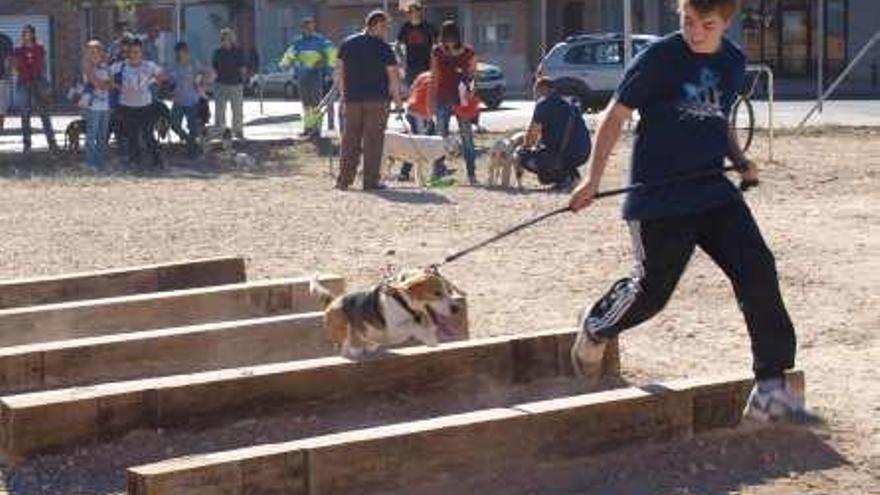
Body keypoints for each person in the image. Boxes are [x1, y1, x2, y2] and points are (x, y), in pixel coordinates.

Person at [568, 0, 816, 424]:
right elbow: (615, 115)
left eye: (707, 24)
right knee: (652, 293)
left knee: (757, 268)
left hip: (712, 191)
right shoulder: (660, 58)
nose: (695, 32)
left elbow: (718, 118)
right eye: (687, 22)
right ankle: (596, 328)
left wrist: (737, 159)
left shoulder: (733, 61)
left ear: (726, 22)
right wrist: (592, 178)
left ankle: (772, 386)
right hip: (659, 198)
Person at [335, 9, 403, 191]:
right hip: (377, 100)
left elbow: (340, 73)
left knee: (350, 140)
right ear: (377, 25)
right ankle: (370, 181)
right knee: (373, 141)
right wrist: (398, 103)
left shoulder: (346, 44)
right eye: (385, 27)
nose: (386, 31)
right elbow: (393, 78)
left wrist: (342, 97)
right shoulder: (384, 48)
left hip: (353, 99)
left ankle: (344, 180)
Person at [518, 77, 591, 191]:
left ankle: (564, 179)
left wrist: (524, 149)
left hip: (566, 153)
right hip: (583, 152)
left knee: (524, 157)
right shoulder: (568, 102)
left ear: (542, 89)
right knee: (557, 154)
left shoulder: (543, 104)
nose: (534, 96)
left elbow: (531, 135)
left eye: (535, 92)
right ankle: (573, 176)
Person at [429, 20, 477, 184]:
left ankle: (471, 174)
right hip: (442, 98)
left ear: (457, 36)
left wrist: (471, 96)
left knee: (467, 137)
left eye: (452, 37)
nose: (449, 41)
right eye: (446, 37)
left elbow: (473, 76)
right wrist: (431, 100)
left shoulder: (468, 52)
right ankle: (437, 172)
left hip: (462, 100)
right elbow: (434, 76)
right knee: (439, 137)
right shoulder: (437, 51)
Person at [279, 17, 337, 139]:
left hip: (315, 75)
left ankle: (316, 130)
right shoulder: (298, 42)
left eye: (310, 26)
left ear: (313, 27)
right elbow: (289, 55)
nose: (308, 29)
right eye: (306, 27)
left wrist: (329, 69)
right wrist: (284, 64)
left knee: (316, 104)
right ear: (302, 28)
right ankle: (307, 128)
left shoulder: (320, 41)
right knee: (306, 105)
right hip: (301, 76)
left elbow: (332, 53)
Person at [113, 38, 165, 171]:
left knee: (148, 134)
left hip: (145, 105)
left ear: (142, 52)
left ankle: (157, 160)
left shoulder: (149, 65)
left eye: (138, 52)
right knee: (132, 135)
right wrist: (118, 87)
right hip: (127, 105)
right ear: (129, 53)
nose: (135, 54)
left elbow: (162, 75)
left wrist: (154, 80)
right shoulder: (121, 66)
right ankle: (135, 161)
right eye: (132, 52)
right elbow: (108, 76)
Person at [13, 25, 58, 154]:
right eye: (25, 33)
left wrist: (45, 84)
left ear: (33, 34)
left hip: (38, 83)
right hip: (23, 83)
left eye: (29, 33)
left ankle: (52, 143)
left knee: (44, 114)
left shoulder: (40, 48)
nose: (27, 35)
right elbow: (15, 68)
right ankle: (27, 145)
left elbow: (44, 66)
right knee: (25, 115)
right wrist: (15, 67)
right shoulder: (18, 50)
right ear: (23, 35)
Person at [166, 41, 212, 158]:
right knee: (174, 124)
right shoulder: (173, 66)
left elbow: (207, 74)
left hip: (193, 100)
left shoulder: (194, 64)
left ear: (187, 52)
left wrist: (203, 81)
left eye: (182, 52)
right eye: (178, 53)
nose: (180, 55)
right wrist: (169, 87)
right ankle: (185, 138)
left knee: (193, 127)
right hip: (178, 101)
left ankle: (192, 150)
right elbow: (168, 80)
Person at [81, 40, 112, 172]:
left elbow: (110, 84)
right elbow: (97, 83)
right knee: (91, 136)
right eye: (90, 52)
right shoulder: (87, 67)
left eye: (96, 51)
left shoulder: (106, 67)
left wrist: (104, 84)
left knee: (102, 136)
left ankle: (100, 162)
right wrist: (104, 84)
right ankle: (90, 163)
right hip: (92, 106)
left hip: (105, 105)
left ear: (101, 53)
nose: (93, 54)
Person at [212, 28, 247, 139]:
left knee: (237, 109)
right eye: (223, 38)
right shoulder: (217, 52)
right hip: (220, 84)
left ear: (232, 39)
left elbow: (243, 67)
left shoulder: (238, 51)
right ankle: (220, 131)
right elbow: (214, 68)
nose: (225, 40)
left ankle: (238, 131)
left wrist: (244, 75)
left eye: (227, 38)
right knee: (220, 110)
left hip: (236, 84)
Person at [396, 2, 435, 89]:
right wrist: (402, 60)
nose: (413, 14)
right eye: (410, 12)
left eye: (415, 11)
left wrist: (433, 60)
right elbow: (397, 46)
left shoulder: (428, 26)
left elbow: (435, 44)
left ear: (420, 12)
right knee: (411, 90)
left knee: (425, 89)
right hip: (411, 66)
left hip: (426, 65)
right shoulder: (405, 27)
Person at [0, 33, 12, 131]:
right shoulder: (5, 39)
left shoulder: (4, 39)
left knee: (2, 104)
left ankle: (0, 126)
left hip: (2, 77)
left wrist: (8, 75)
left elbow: (9, 59)